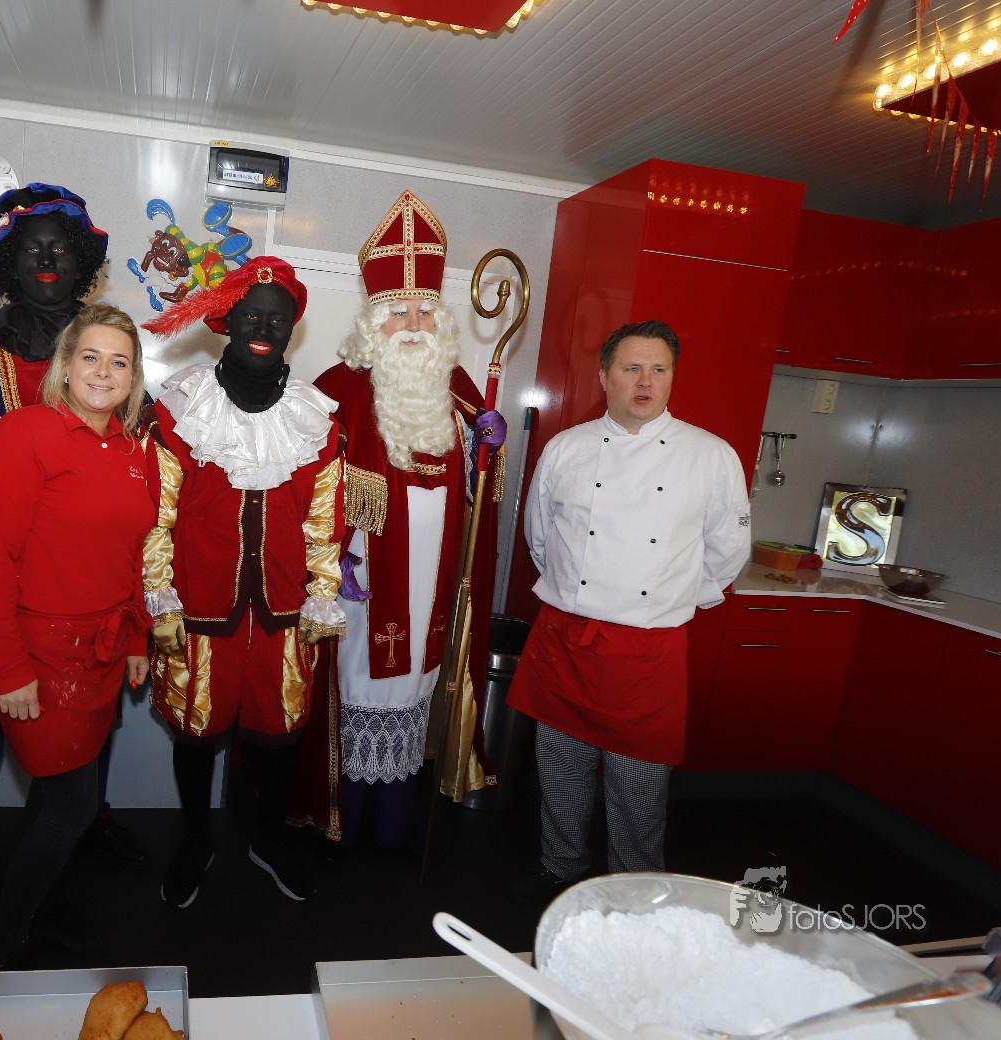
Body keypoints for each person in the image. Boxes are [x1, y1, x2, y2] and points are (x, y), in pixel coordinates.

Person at [0, 183, 146, 908]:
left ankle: (84, 818)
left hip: (78, 568)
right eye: (31, 247)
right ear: (7, 260)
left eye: (61, 247)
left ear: (82, 261)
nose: (47, 258)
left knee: (93, 704)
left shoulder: (101, 344)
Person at [506, 318, 750, 898]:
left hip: (647, 648)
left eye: (659, 369)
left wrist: (667, 598)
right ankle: (561, 865)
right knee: (559, 771)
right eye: (631, 368)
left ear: (672, 378)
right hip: (566, 638)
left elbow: (727, 552)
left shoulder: (711, 456)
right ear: (604, 376)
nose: (645, 381)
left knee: (638, 787)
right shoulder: (566, 449)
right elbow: (541, 539)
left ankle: (635, 890)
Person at [291, 190, 505, 849]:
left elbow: (480, 494)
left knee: (416, 689)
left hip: (433, 582)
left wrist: (488, 448)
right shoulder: (336, 389)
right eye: (397, 311)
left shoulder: (461, 390)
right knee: (359, 689)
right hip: (362, 585)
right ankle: (341, 818)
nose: (412, 323)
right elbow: (303, 490)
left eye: (423, 310)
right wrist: (333, 560)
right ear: (373, 320)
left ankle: (393, 826)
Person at [139, 257, 346, 907]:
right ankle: (196, 839)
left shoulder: (317, 418)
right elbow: (157, 513)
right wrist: (160, 596)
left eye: (277, 319)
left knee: (280, 733)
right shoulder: (181, 407)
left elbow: (325, 518)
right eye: (252, 315)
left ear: (292, 329)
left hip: (285, 608)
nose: (264, 328)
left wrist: (322, 592)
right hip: (199, 606)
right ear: (227, 321)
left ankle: (270, 839)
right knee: (198, 733)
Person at [0, 302, 155, 968]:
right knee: (72, 805)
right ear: (66, 366)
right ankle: (7, 939)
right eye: (90, 357)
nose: (104, 372)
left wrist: (137, 639)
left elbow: (132, 556)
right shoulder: (27, 432)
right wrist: (8, 667)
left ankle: (41, 901)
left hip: (101, 653)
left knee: (54, 794)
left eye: (119, 361)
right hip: (37, 655)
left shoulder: (133, 452)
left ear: (133, 377)